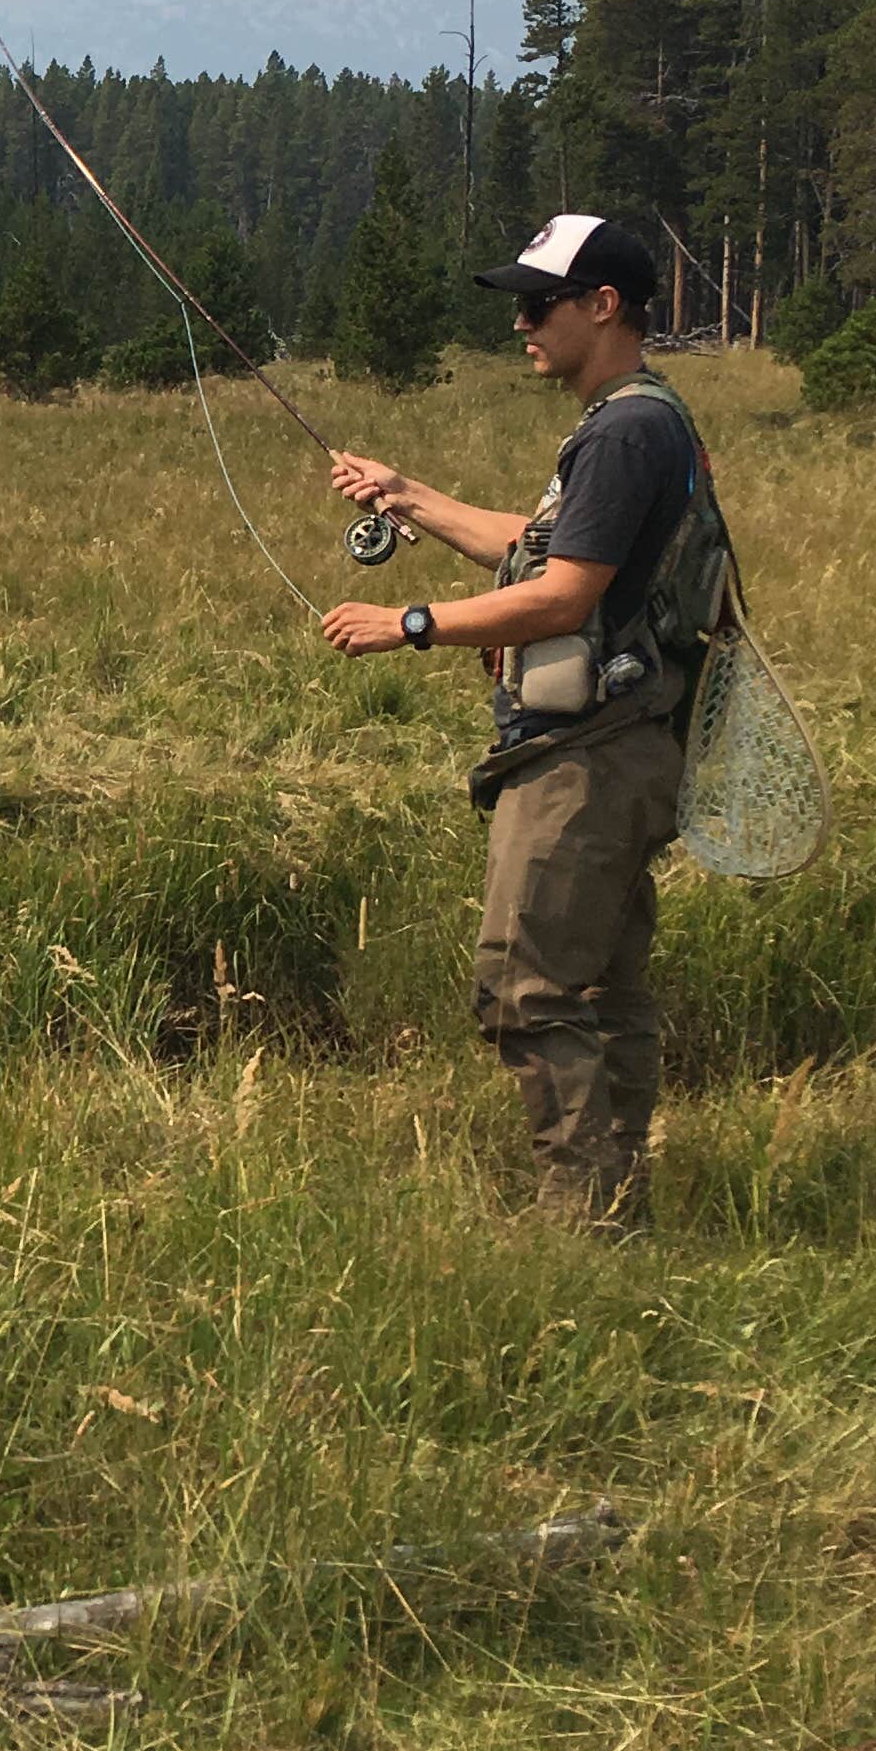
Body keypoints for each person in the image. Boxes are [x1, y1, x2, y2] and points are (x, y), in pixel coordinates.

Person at [315, 215, 724, 1228]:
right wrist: (409, 498)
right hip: (627, 743)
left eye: (538, 303)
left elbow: (562, 598)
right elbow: (534, 546)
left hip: (589, 754)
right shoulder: (634, 418)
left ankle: (582, 1214)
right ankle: (618, 1195)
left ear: (604, 306)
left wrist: (411, 624)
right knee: (600, 986)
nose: (520, 324)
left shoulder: (626, 429)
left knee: (527, 987)